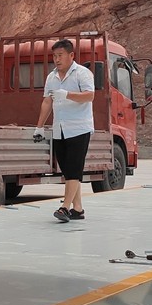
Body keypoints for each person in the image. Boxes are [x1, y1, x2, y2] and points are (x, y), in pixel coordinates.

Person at [34, 39, 96, 223]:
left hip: (79, 128)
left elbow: (90, 96)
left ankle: (65, 208)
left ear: (71, 55)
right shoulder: (51, 77)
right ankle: (78, 209)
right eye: (54, 56)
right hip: (59, 129)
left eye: (60, 55)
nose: (57, 59)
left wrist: (67, 94)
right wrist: (39, 126)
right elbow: (47, 101)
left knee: (74, 169)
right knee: (68, 170)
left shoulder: (82, 73)